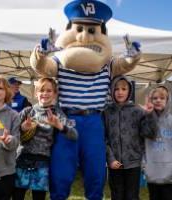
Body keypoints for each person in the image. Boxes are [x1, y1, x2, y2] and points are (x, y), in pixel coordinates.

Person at [30, 0, 141, 199]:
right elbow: (42, 67)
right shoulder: (60, 61)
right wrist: (40, 54)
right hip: (67, 120)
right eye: (79, 28)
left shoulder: (107, 64)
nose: (84, 35)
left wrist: (133, 57)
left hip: (94, 121)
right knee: (62, 168)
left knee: (95, 169)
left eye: (91, 30)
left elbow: (124, 65)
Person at [13, 77, 77, 200]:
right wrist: (22, 128)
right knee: (17, 195)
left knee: (38, 197)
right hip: (21, 159)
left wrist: (59, 125)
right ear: (36, 93)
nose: (45, 93)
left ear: (54, 94)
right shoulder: (27, 111)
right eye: (41, 90)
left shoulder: (57, 114)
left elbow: (74, 135)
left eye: (49, 91)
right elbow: (11, 133)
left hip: (42, 163)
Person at [104, 75, 157, 200]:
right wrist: (110, 159)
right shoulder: (106, 112)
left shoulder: (138, 111)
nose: (120, 92)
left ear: (130, 91)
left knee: (132, 196)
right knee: (117, 195)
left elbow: (150, 133)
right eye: (116, 89)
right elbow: (103, 138)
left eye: (124, 88)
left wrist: (150, 115)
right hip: (114, 164)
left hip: (133, 164)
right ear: (111, 91)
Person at [143, 86, 172, 200]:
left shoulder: (171, 120)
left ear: (167, 101)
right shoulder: (145, 119)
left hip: (169, 173)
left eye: (162, 98)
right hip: (152, 171)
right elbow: (142, 141)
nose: (158, 100)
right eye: (155, 98)